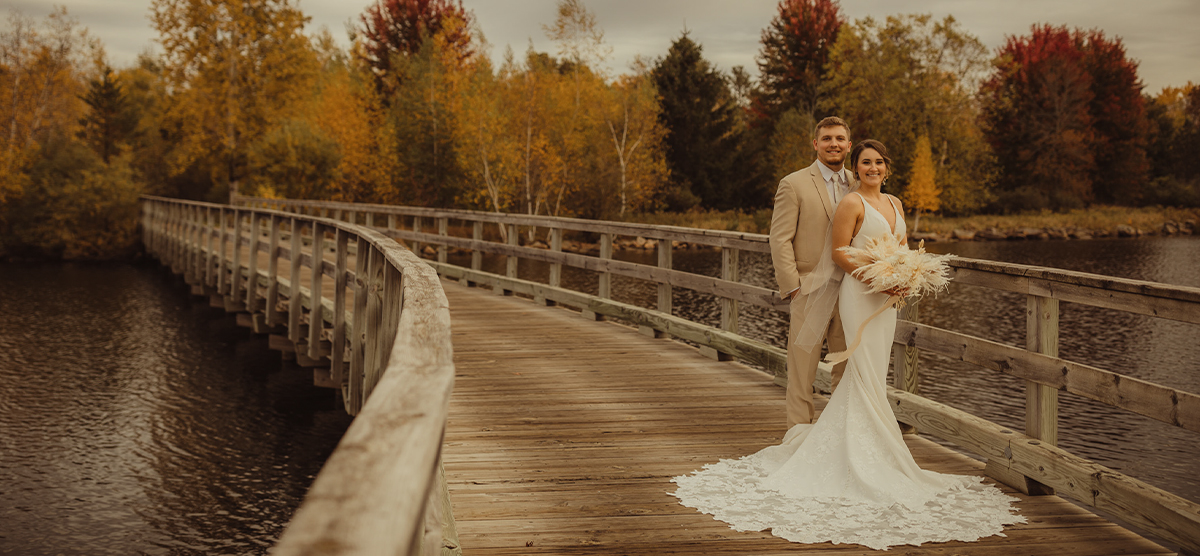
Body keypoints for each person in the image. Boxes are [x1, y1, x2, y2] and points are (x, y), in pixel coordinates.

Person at [671, 140, 1024, 550]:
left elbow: (903, 247)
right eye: (866, 163)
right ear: (857, 169)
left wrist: (906, 275)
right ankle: (851, 450)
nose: (872, 168)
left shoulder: (895, 202)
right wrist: (879, 274)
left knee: (876, 371)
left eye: (878, 162)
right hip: (860, 293)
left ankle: (877, 445)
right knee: (860, 368)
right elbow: (840, 252)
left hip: (888, 297)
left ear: (888, 168)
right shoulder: (852, 203)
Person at [769, 116, 854, 428]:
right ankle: (798, 437)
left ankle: (838, 437)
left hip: (851, 292)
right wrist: (792, 286)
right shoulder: (794, 184)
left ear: (848, 144)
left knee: (846, 369)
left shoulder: (859, 184)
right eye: (827, 138)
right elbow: (779, 239)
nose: (834, 144)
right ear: (815, 144)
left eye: (840, 139)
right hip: (810, 289)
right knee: (802, 371)